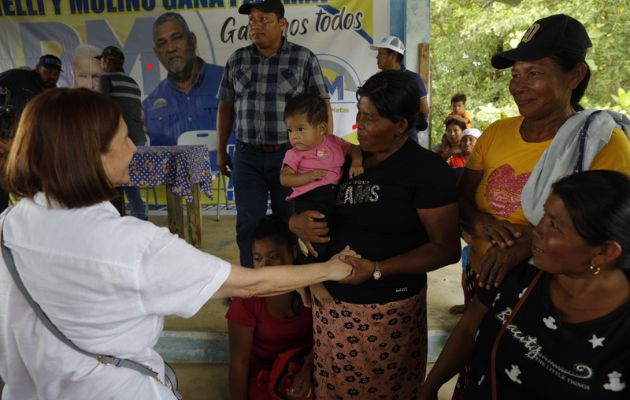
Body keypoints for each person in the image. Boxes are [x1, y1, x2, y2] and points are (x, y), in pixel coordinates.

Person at [0, 88, 354, 399]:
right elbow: (252, 283)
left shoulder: (9, 225)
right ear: (89, 157)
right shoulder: (133, 247)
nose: (133, 148)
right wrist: (329, 269)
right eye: (124, 140)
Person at [454, 14, 630, 397]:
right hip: (483, 280)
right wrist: (479, 221)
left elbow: (606, 229)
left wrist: (522, 246)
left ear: (574, 75)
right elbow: (463, 199)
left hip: (545, 291)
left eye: (533, 73)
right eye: (516, 75)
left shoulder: (601, 145)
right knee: (480, 360)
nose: (518, 86)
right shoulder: (497, 132)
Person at [289, 70, 461, 399]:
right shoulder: (342, 159)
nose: (359, 124)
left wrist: (378, 268)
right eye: (359, 114)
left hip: (390, 314)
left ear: (400, 125)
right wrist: (294, 224)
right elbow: (301, 204)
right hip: (332, 310)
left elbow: (445, 248)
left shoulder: (426, 171)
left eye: (371, 117)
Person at [422, 170, 630, 399]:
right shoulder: (517, 270)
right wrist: (430, 386)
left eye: (555, 226)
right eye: (544, 216)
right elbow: (468, 329)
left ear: (604, 252)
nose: (535, 231)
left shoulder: (620, 329)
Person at [216, 0, 333, 267]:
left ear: (282, 24)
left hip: (291, 157)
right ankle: (253, 289)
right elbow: (225, 106)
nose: (256, 25)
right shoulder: (237, 59)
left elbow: (322, 106)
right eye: (252, 20)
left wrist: (321, 154)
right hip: (247, 158)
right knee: (248, 225)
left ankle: (291, 288)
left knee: (291, 223)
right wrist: (221, 150)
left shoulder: (303, 58)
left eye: (264, 19)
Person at [227, 215, 314, 400]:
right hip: (263, 380)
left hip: (307, 369)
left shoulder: (313, 289)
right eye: (258, 259)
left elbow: (323, 343)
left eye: (274, 257)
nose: (265, 267)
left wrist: (307, 370)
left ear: (293, 252)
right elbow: (239, 364)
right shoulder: (246, 301)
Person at [280, 93, 363, 258]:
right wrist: (308, 176)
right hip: (310, 200)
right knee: (319, 238)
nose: (294, 136)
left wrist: (356, 163)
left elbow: (354, 149)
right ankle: (317, 268)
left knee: (339, 232)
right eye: (290, 130)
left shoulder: (333, 141)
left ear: (321, 129)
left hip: (335, 196)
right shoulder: (294, 154)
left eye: (300, 129)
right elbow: (285, 178)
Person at [143, 12, 224, 146]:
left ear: (192, 40)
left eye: (177, 38)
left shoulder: (231, 82)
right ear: (157, 53)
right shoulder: (149, 106)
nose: (171, 48)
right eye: (162, 43)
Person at [0, 54, 62, 212]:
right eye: (47, 71)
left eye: (56, 73)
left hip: (28, 148)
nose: (52, 76)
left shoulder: (53, 93)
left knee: (33, 189)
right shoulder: (16, 77)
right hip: (5, 142)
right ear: (37, 68)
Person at [97, 45, 147, 220]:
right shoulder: (133, 83)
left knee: (114, 179)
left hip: (118, 138)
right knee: (130, 179)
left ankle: (119, 218)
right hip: (139, 137)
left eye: (101, 60)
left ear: (108, 61)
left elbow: (102, 109)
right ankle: (139, 215)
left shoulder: (106, 79)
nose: (101, 65)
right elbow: (139, 113)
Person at [370, 35, 430, 140]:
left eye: (380, 54)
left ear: (393, 55)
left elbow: (424, 109)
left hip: (407, 138)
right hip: (382, 137)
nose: (377, 57)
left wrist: (411, 127)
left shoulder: (413, 79)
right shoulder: (377, 80)